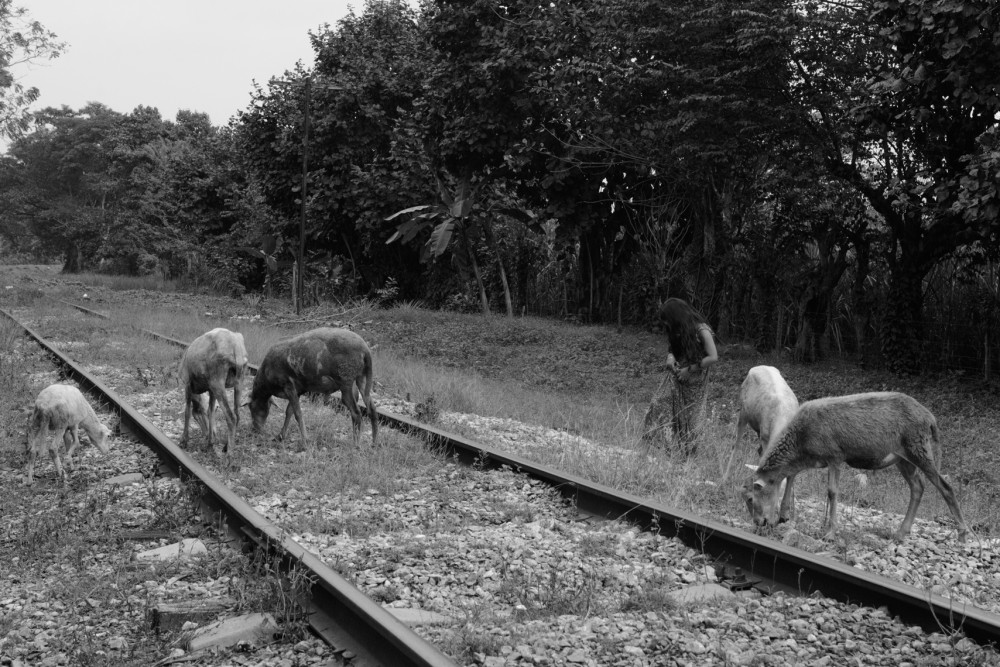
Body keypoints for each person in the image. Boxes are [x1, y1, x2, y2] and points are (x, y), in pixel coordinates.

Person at [642, 298, 718, 454]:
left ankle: (687, 456)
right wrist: (670, 357)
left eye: (667, 320)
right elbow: (673, 348)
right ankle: (667, 448)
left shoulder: (701, 330)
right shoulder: (678, 330)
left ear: (676, 317)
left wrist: (689, 370)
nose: (666, 325)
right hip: (676, 375)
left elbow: (713, 357)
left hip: (695, 379)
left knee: (691, 419)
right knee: (659, 402)